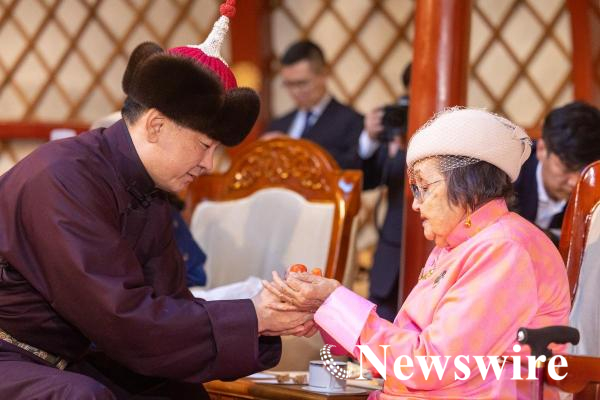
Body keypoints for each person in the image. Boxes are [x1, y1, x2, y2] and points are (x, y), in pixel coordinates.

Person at [0, 3, 315, 399]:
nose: (209, 164)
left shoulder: (152, 196)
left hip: (71, 356)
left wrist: (265, 321)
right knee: (79, 396)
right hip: (10, 353)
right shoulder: (62, 180)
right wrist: (252, 315)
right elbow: (122, 319)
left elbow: (170, 313)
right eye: (204, 145)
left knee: (180, 390)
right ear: (156, 125)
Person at [265, 108, 571, 398]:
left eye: (423, 187)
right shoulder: (454, 245)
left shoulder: (505, 249)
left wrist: (335, 302)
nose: (415, 204)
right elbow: (401, 353)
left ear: (469, 186)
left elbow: (431, 364)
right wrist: (325, 310)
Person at [359, 63, 411, 321]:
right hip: (392, 249)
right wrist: (370, 140)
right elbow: (368, 180)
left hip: (438, 252)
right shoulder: (397, 126)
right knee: (378, 320)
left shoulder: (455, 127)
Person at [265, 40, 363, 170]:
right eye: (289, 84)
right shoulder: (278, 125)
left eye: (302, 83)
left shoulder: (351, 122)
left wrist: (293, 149)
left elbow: (353, 168)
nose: (295, 91)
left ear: (324, 74)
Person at [514, 101, 600, 245]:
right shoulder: (509, 176)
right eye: (567, 168)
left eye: (584, 171)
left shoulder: (594, 190)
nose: (575, 182)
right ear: (542, 149)